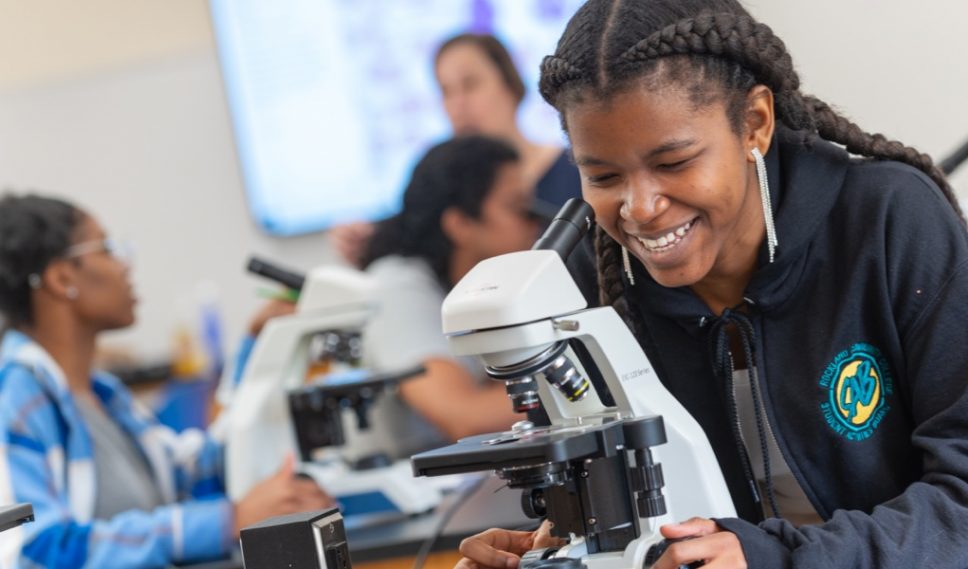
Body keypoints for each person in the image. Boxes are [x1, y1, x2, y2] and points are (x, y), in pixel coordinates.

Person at [455, 1, 968, 568]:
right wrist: (554, 547)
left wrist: (779, 559)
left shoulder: (887, 221)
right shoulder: (597, 279)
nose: (640, 208)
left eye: (674, 162)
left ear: (755, 123)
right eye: (603, 176)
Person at [0, 194, 335, 568]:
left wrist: (259, 350)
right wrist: (226, 521)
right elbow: (37, 549)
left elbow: (199, 476)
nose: (125, 265)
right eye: (108, 249)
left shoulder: (103, 395)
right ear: (62, 278)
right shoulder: (16, 397)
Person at [348, 134, 539, 458]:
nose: (534, 223)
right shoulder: (397, 287)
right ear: (460, 223)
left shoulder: (474, 290)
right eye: (517, 207)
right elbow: (463, 418)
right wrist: (588, 387)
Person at [329, 33, 581, 265]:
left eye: (470, 85)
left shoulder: (577, 171)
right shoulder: (445, 193)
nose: (457, 105)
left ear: (511, 85)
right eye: (446, 91)